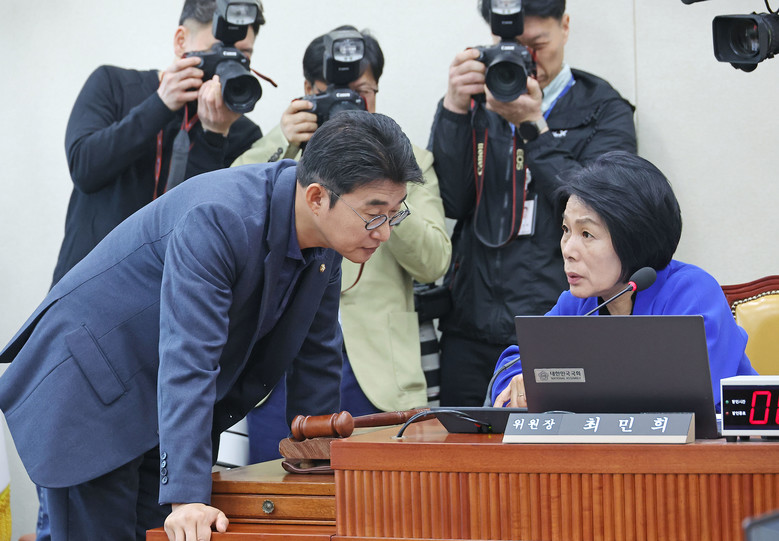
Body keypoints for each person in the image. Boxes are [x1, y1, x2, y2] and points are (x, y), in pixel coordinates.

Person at [0, 110, 422, 541]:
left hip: (160, 406)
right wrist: (187, 497)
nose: (384, 233)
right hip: (90, 395)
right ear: (317, 197)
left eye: (395, 213)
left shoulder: (328, 242)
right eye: (374, 214)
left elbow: (317, 356)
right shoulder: (220, 217)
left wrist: (317, 462)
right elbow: (190, 355)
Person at [234, 26, 451, 463]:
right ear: (308, 92)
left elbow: (434, 263)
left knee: (385, 501)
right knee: (277, 495)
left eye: (361, 93)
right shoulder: (283, 150)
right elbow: (231, 205)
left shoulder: (411, 163)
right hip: (280, 364)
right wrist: (284, 139)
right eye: (335, 93)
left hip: (377, 371)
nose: (349, 106)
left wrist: (384, 195)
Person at [428, 0, 637, 406]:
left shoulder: (603, 108)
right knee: (463, 441)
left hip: (559, 320)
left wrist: (533, 128)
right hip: (471, 322)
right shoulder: (477, 101)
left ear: (565, 26)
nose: (526, 58)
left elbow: (603, 206)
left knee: (552, 441)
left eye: (537, 44)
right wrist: (453, 109)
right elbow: (451, 201)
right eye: (511, 45)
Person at [490, 151, 757, 408]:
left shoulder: (692, 293)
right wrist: (522, 383)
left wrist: (561, 387)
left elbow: (683, 397)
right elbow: (511, 366)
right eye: (566, 229)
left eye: (586, 234)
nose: (568, 249)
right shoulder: (578, 304)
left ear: (634, 238)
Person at [51, 0, 265, 286]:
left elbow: (203, 226)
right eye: (219, 49)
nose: (230, 63)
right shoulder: (113, 84)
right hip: (83, 286)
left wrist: (215, 135)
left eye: (243, 55)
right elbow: (85, 169)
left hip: (166, 295)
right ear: (181, 41)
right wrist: (160, 105)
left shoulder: (242, 133)